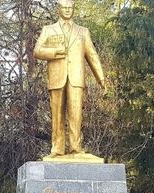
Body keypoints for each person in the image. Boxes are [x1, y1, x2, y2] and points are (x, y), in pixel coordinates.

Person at [34, 0, 106, 161]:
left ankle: (76, 148)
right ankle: (58, 149)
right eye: (64, 8)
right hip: (56, 77)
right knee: (57, 114)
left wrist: (100, 77)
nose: (67, 11)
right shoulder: (48, 29)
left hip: (76, 77)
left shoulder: (83, 31)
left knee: (76, 114)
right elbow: (37, 51)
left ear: (73, 9)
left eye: (70, 8)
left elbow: (92, 55)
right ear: (58, 9)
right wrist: (55, 51)